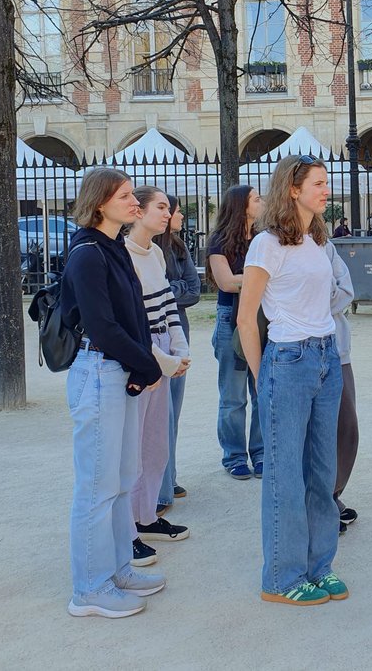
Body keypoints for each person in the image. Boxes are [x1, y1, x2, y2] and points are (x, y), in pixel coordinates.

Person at [238, 155, 347, 606]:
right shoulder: (266, 244)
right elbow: (246, 319)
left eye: (326, 183)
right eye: (318, 184)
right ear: (293, 190)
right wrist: (267, 377)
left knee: (322, 471)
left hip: (326, 356)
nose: (326, 190)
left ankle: (319, 566)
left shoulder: (316, 239)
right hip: (289, 358)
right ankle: (281, 577)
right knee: (285, 475)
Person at [61, 168, 166, 618]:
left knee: (122, 480)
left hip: (119, 371)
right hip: (99, 372)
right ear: (100, 202)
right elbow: (101, 326)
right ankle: (89, 588)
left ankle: (119, 567)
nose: (134, 202)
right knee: (98, 487)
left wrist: (143, 364)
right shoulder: (87, 253)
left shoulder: (114, 248)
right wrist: (145, 364)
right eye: (125, 196)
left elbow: (134, 317)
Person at [125, 186, 192, 561]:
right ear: (140, 211)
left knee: (156, 442)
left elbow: (168, 306)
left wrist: (180, 350)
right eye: (161, 207)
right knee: (133, 446)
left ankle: (147, 516)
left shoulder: (154, 254)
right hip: (142, 355)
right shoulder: (123, 256)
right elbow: (134, 321)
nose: (168, 213)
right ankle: (128, 527)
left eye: (169, 208)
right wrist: (163, 360)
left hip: (164, 350)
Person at [208, 184, 265, 480]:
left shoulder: (262, 238)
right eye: (256, 199)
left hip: (259, 317)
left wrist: (249, 279)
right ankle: (234, 456)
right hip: (230, 314)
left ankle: (261, 453)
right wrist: (259, 277)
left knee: (261, 391)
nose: (261, 202)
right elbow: (226, 282)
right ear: (242, 205)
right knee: (232, 396)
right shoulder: (219, 240)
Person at [154, 195, 201, 513]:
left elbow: (195, 289)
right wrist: (173, 290)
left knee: (173, 412)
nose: (180, 215)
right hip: (155, 338)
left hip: (177, 334)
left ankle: (168, 479)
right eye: (175, 210)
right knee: (158, 415)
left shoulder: (178, 248)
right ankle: (158, 488)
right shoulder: (144, 250)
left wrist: (166, 290)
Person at [325, 238, 359, 534]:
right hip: (301, 351)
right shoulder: (273, 243)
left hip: (338, 349)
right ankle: (320, 505)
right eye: (318, 186)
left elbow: (345, 292)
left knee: (347, 428)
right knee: (315, 434)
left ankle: (332, 494)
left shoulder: (326, 244)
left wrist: (323, 295)